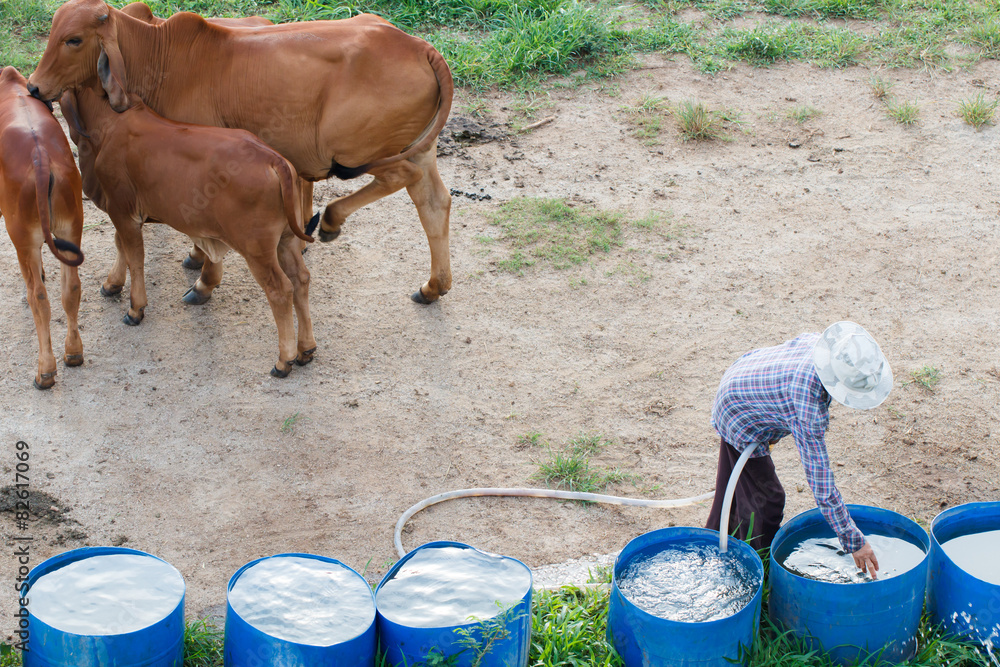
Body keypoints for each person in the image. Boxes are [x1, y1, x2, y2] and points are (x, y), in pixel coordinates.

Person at [705, 321, 892, 579]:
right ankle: (754, 573)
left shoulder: (823, 348)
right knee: (767, 501)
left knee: (734, 490)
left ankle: (714, 546)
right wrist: (854, 540)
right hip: (738, 413)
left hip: (743, 376)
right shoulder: (808, 407)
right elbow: (822, 487)